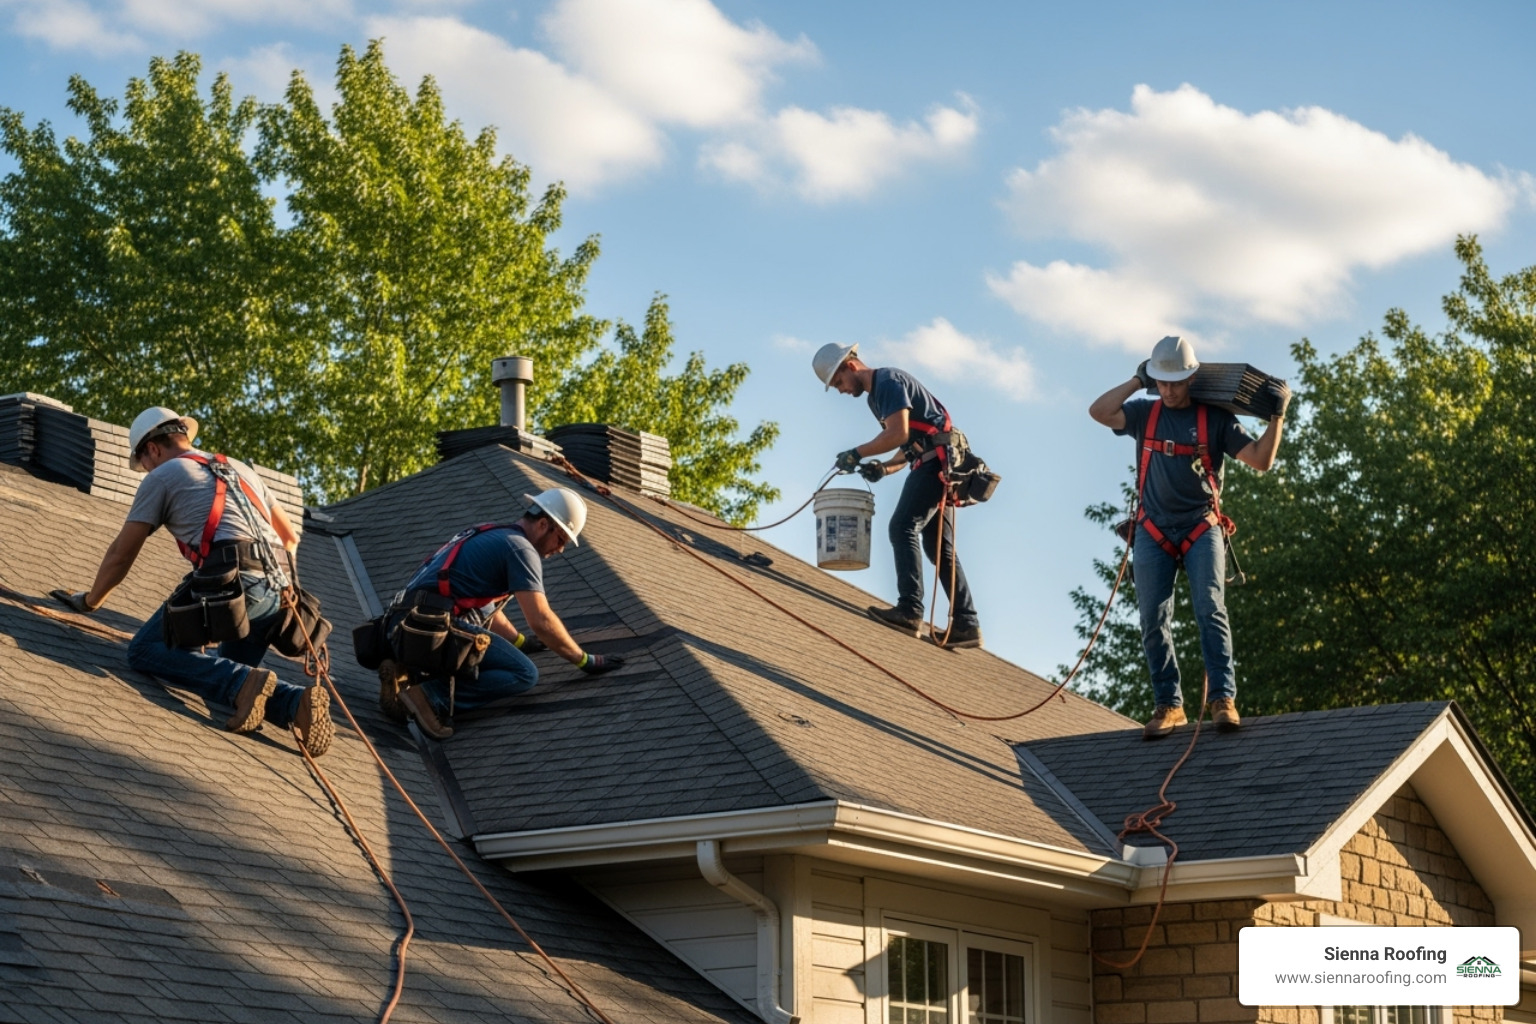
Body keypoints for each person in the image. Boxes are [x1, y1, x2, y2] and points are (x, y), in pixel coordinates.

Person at [55, 406, 333, 755]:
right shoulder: (240, 468)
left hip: (231, 587)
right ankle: (295, 704)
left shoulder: (164, 475)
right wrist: (279, 589)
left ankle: (246, 682)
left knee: (145, 650)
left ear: (152, 449)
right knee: (228, 681)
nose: (145, 470)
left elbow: (121, 554)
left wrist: (90, 601)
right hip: (278, 597)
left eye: (142, 463)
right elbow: (290, 538)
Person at [1088, 336, 1289, 738]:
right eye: (1162, 382)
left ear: (1192, 377)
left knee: (1210, 609)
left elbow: (1261, 461)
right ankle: (1169, 705)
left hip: (1200, 525)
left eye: (1176, 382)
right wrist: (1135, 379)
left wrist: (1277, 417)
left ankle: (1222, 699)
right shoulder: (1145, 413)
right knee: (1151, 618)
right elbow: (1099, 411)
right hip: (1153, 529)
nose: (1169, 390)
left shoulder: (1215, 420)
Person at [378, 487, 625, 739]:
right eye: (560, 539)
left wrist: (520, 641)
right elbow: (541, 619)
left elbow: (484, 608)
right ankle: (428, 697)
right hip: (431, 628)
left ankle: (405, 674)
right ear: (543, 524)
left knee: (477, 633)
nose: (560, 549)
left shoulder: (491, 533)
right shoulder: (522, 550)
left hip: (403, 625)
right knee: (524, 673)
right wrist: (584, 660)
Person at [812, 342, 982, 649]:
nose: (839, 390)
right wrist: (883, 469)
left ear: (850, 366)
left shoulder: (888, 381)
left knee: (901, 527)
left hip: (935, 466)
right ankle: (967, 623)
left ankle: (910, 610)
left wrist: (856, 452)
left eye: (837, 382)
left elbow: (897, 434)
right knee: (936, 547)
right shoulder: (877, 397)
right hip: (934, 463)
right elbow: (908, 446)